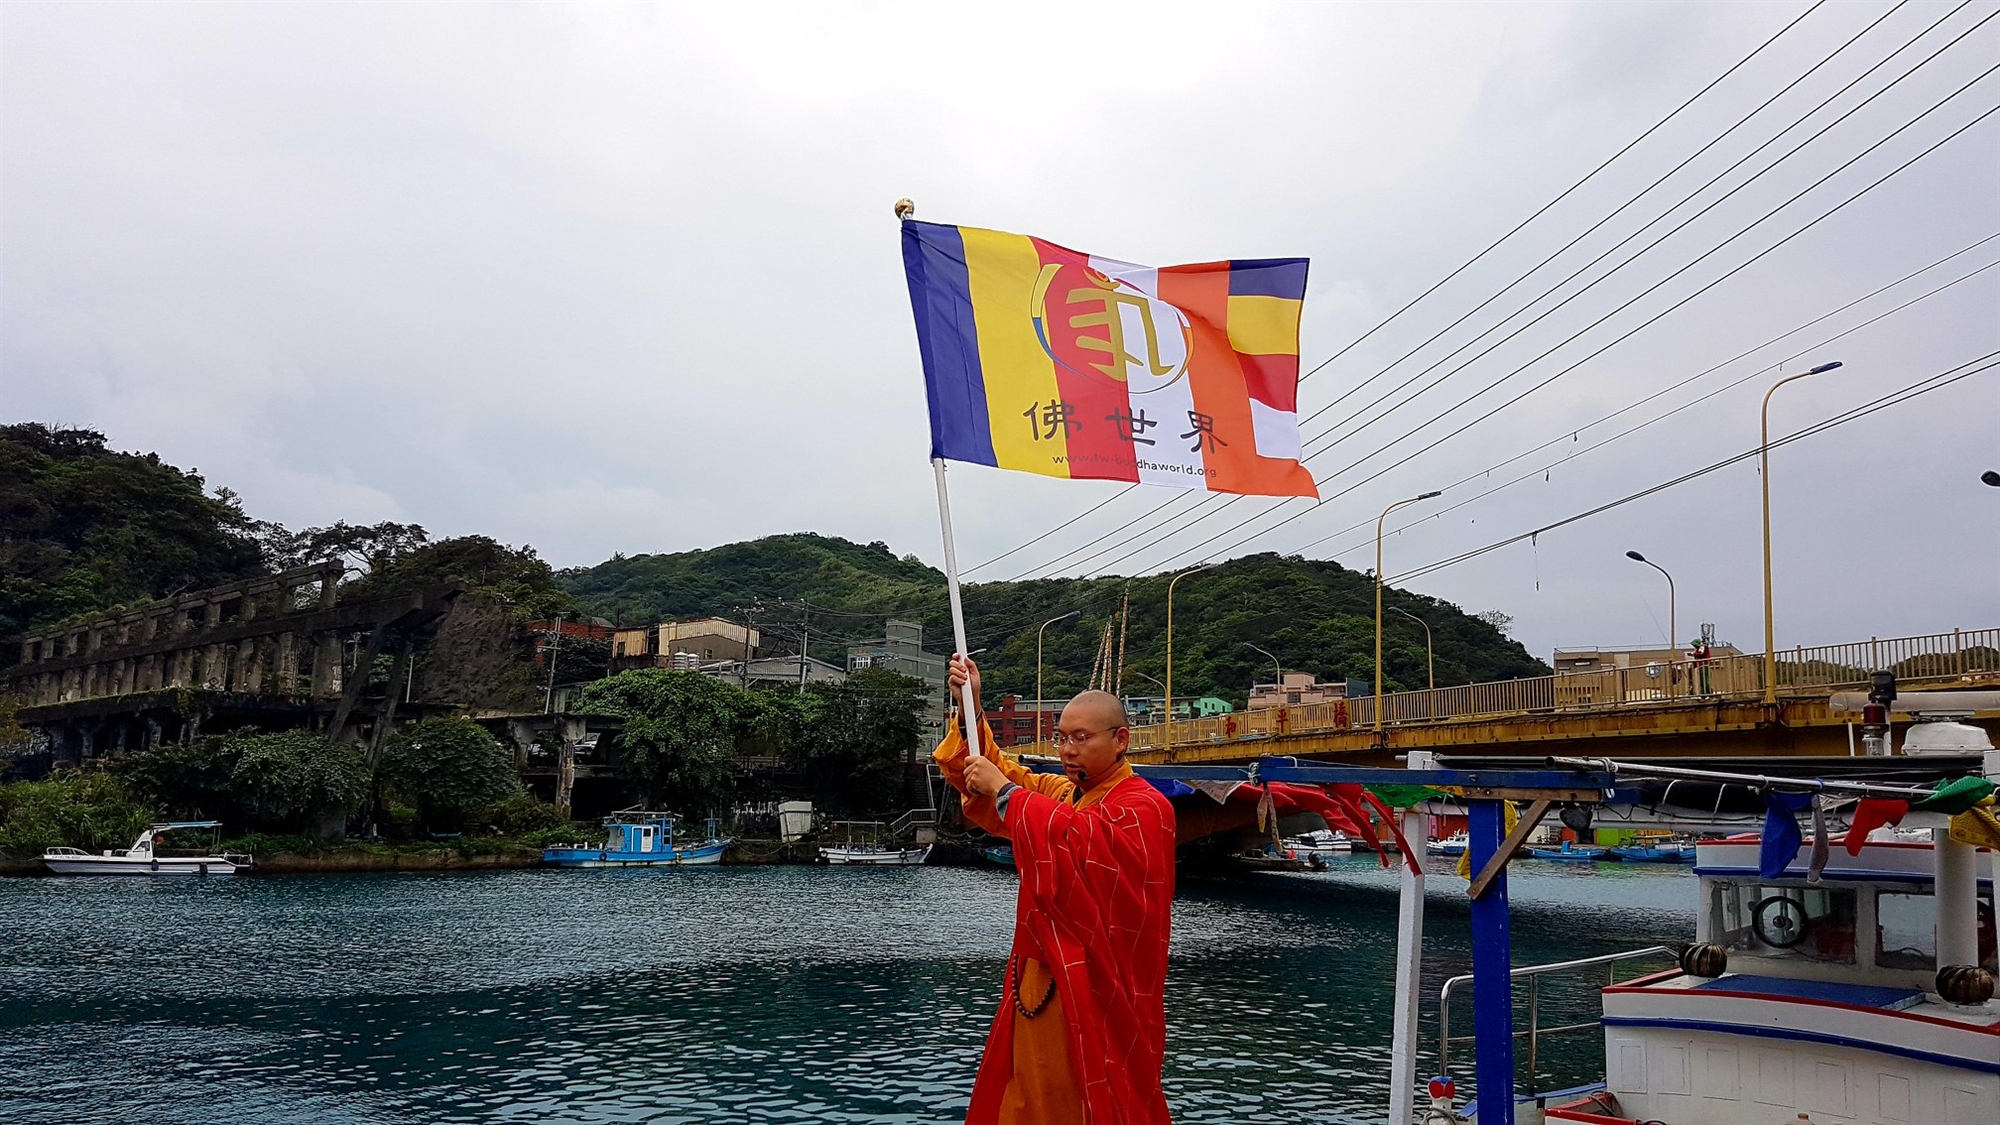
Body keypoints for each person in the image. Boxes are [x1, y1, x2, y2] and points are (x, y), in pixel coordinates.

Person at [934, 654, 1176, 1125]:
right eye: (1063, 738)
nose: (1067, 749)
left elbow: (1080, 839)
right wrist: (970, 704)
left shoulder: (1145, 807)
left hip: (1101, 985)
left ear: (1120, 740)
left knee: (1087, 1100)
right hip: (1044, 976)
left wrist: (1006, 794)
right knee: (1029, 1089)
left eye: (1081, 738)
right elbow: (996, 771)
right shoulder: (1066, 793)